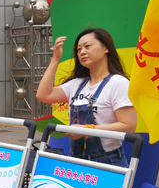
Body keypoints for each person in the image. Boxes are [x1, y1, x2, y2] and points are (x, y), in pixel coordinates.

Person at [36, 28, 137, 167]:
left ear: (106, 48)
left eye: (87, 46)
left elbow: (129, 126)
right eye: (79, 49)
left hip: (108, 161)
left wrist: (85, 130)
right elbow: (43, 95)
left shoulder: (118, 83)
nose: (82, 52)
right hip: (76, 159)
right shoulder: (77, 84)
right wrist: (55, 59)